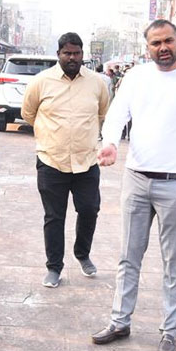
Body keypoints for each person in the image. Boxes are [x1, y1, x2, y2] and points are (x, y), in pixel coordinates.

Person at [92, 20, 176, 351]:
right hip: (136, 179)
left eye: (168, 41)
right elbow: (117, 114)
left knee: (173, 262)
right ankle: (120, 321)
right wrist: (110, 144)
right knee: (128, 256)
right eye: (155, 43)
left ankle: (170, 331)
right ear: (147, 47)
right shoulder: (136, 78)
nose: (163, 47)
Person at [21, 33, 111, 288]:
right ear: (58, 54)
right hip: (52, 161)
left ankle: (82, 254)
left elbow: (102, 113)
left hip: (87, 162)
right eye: (67, 53)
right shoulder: (41, 82)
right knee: (54, 217)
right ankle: (54, 267)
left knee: (89, 210)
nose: (72, 58)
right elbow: (29, 114)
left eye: (76, 53)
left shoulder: (97, 83)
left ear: (83, 54)